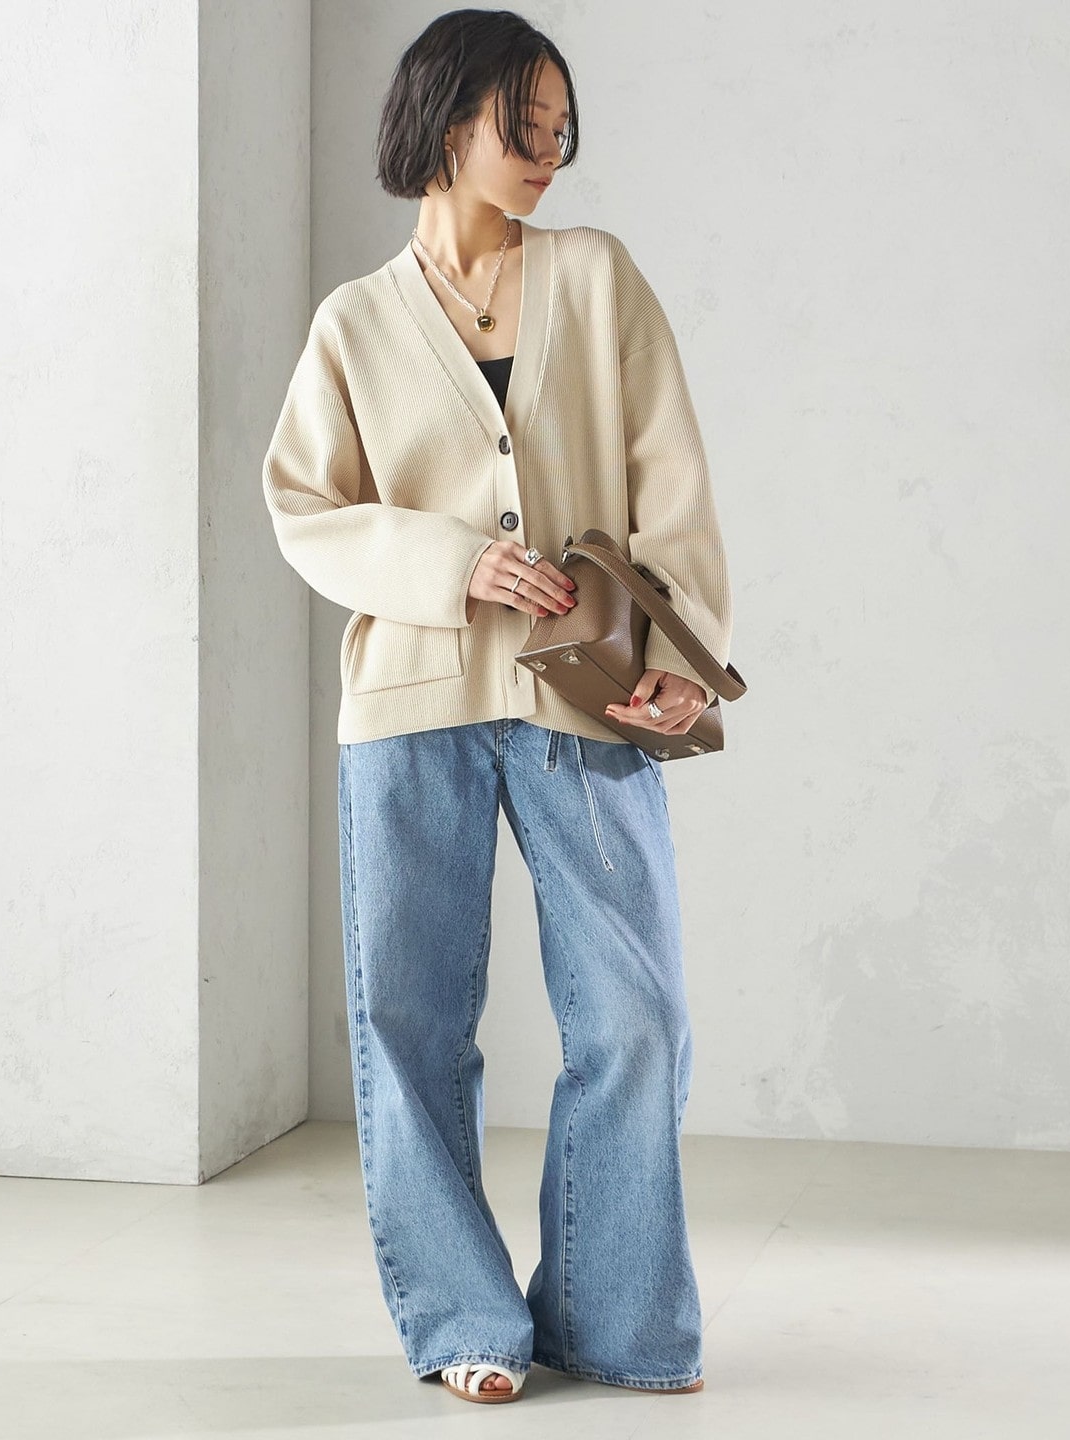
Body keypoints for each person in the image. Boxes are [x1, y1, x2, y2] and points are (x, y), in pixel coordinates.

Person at [261, 7, 734, 1407]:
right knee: (409, 1023)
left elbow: (672, 475)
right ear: (443, 119)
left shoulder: (594, 277)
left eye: (559, 128)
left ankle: (613, 1317)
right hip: (409, 702)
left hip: (587, 693)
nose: (546, 152)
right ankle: (465, 1317)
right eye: (520, 124)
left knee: (636, 1018)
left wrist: (685, 648)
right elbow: (304, 511)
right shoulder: (355, 322)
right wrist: (450, 563)